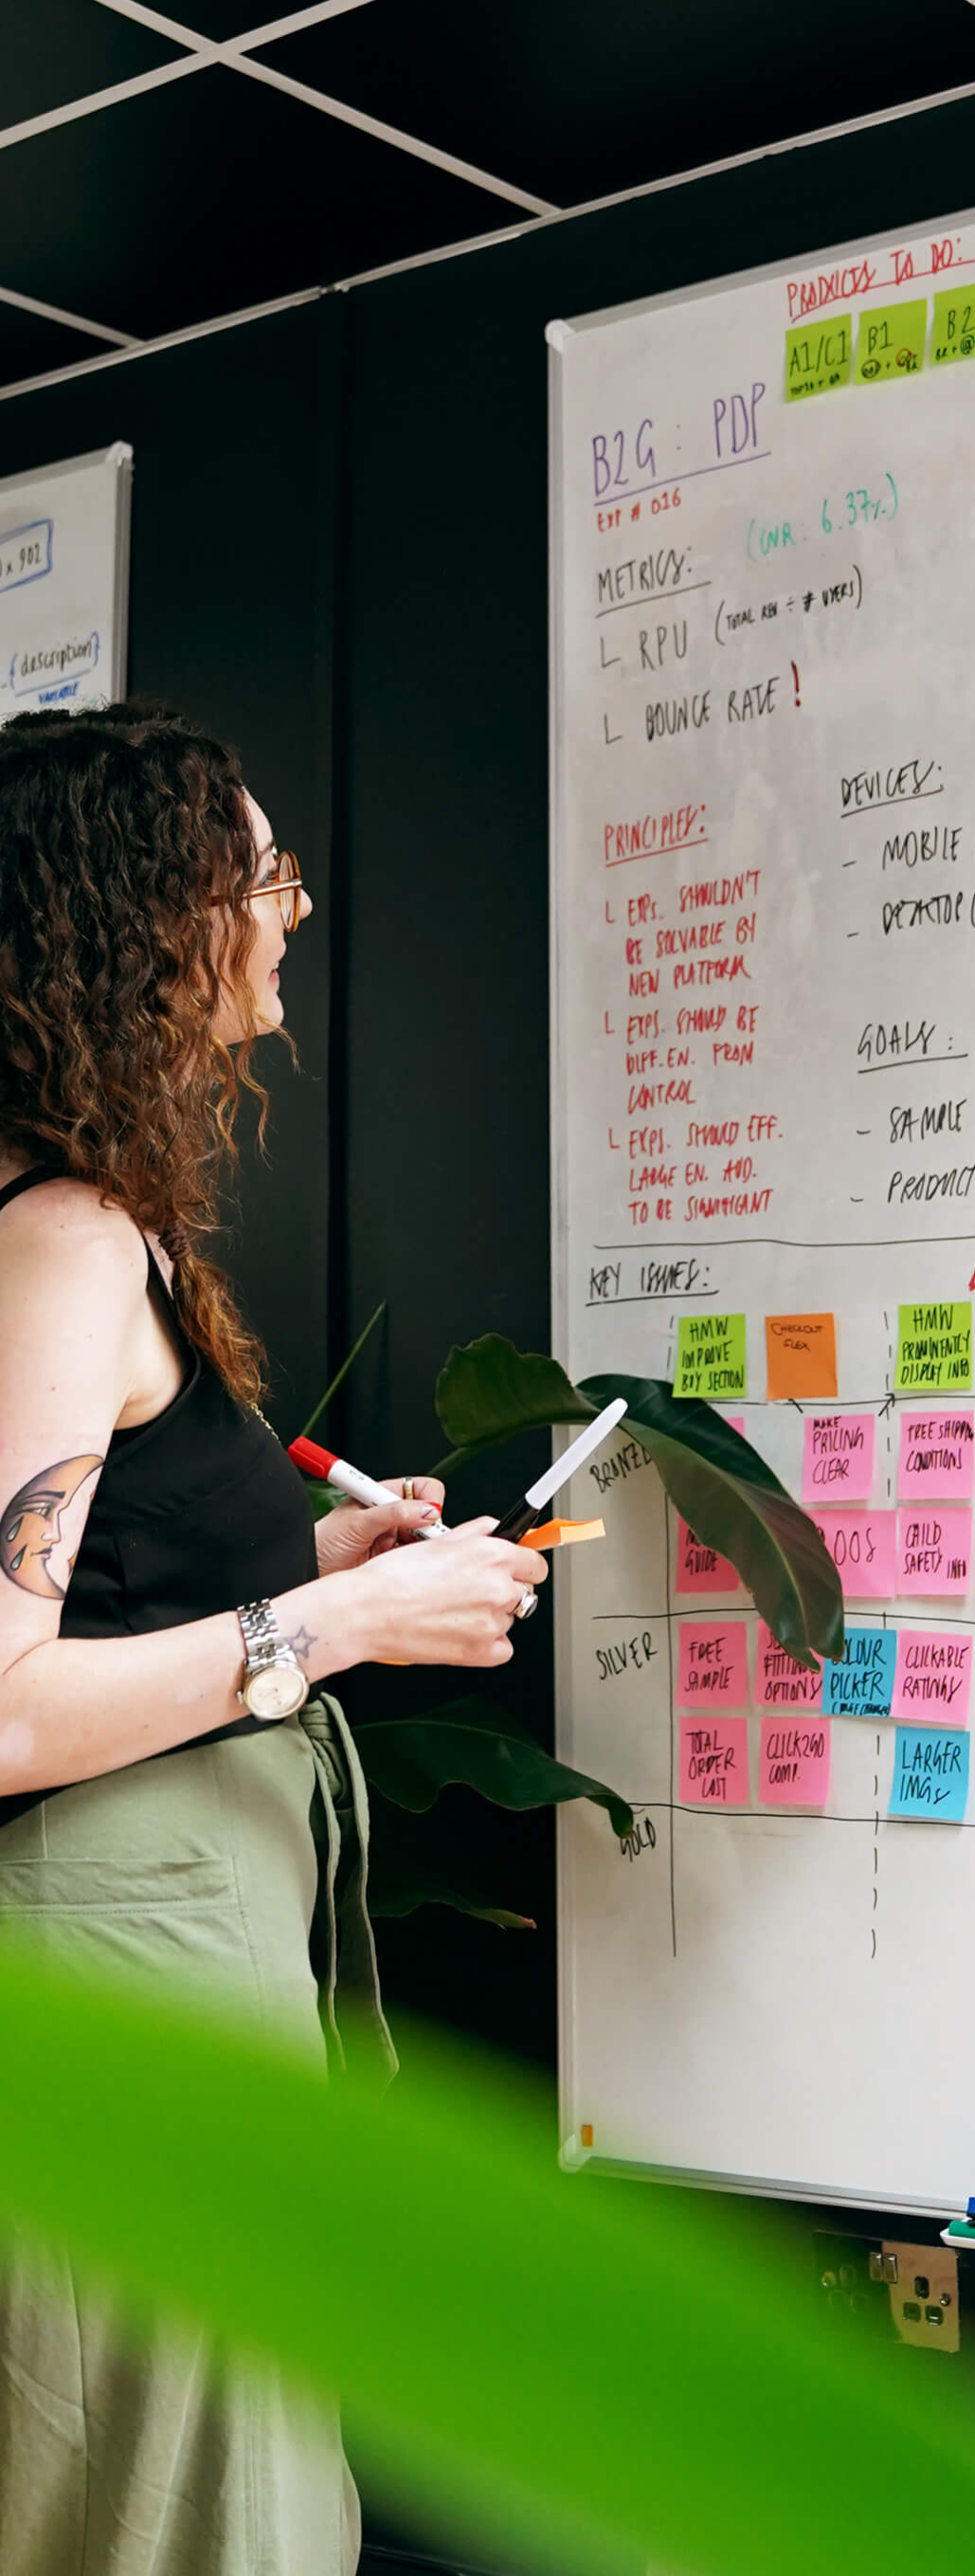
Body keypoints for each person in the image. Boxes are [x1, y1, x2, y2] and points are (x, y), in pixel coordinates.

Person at [0, 703, 549, 2576]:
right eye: (262, 876)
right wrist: (338, 1617)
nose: (291, 912)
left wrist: (325, 1549)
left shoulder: (84, 1220)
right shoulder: (63, 1234)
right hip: (115, 1976)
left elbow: (102, 1575)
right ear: (157, 928)